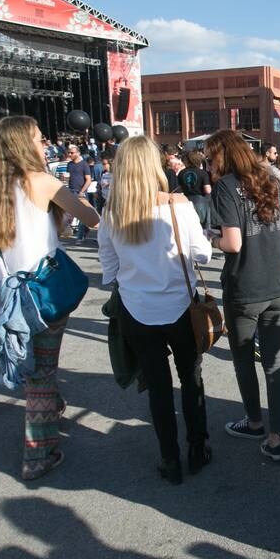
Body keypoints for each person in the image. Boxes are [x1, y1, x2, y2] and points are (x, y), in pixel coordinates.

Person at [0, 115, 100, 482]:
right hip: (41, 291)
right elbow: (91, 217)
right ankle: (37, 454)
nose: (43, 142)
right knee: (42, 374)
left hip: (5, 292)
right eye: (37, 136)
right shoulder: (41, 181)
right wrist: (65, 198)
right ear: (22, 144)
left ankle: (49, 406)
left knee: (35, 368)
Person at [98, 135, 211, 484]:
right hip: (180, 306)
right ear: (155, 166)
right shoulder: (179, 206)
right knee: (190, 377)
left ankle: (169, 458)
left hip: (136, 309)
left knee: (159, 388)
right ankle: (197, 447)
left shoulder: (113, 212)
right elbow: (203, 255)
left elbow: (108, 270)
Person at [209, 129, 280, 462]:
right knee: (274, 363)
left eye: (211, 155)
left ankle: (255, 422)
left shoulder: (226, 187)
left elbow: (232, 243)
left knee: (244, 359)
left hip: (246, 288)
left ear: (223, 155)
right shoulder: (272, 179)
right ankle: (277, 437)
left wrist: (209, 239)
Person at [61, 144, 94, 242]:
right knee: (70, 213)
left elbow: (88, 180)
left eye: (72, 152)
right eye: (69, 153)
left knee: (82, 214)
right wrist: (64, 178)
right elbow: (68, 177)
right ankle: (83, 230)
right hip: (71, 190)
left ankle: (80, 236)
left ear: (78, 153)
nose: (70, 154)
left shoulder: (84, 164)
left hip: (80, 192)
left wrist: (82, 192)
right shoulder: (69, 164)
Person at [176, 149, 212, 231]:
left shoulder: (181, 173)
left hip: (186, 201)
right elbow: (208, 190)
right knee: (203, 228)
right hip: (200, 202)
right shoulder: (203, 173)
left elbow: (179, 188)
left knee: (189, 228)